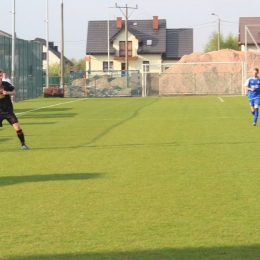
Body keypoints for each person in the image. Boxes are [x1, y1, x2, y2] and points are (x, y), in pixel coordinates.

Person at [0, 69, 29, 149]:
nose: (0, 77)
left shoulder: (6, 84)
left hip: (8, 110)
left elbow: (14, 92)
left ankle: (23, 145)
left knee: (17, 126)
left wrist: (8, 93)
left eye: (1, 75)